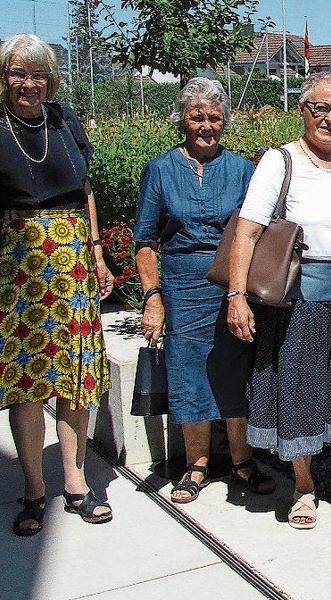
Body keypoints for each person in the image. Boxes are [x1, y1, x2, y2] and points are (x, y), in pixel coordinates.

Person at [227, 72, 331, 529]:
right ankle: (302, 487)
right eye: (320, 107)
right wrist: (237, 296)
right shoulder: (279, 162)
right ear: (302, 110)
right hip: (298, 300)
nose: (329, 117)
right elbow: (248, 231)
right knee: (299, 389)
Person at [134, 77, 275, 504]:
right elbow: (144, 240)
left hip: (232, 284)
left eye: (214, 117)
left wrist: (243, 291)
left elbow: (256, 231)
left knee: (235, 370)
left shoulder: (241, 169)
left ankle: (242, 460)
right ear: (182, 119)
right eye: (197, 117)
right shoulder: (159, 169)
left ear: (225, 122)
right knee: (188, 372)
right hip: (180, 285)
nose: (206, 125)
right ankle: (195, 465)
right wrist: (152, 297)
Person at [0, 34, 114, 535]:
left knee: (76, 374)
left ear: (51, 78)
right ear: (4, 77)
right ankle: (33, 489)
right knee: (26, 380)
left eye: (38, 73)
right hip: (15, 262)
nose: (29, 83)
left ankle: (75, 481)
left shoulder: (64, 119)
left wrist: (96, 251)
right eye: (17, 73)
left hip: (71, 260)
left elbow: (85, 189)